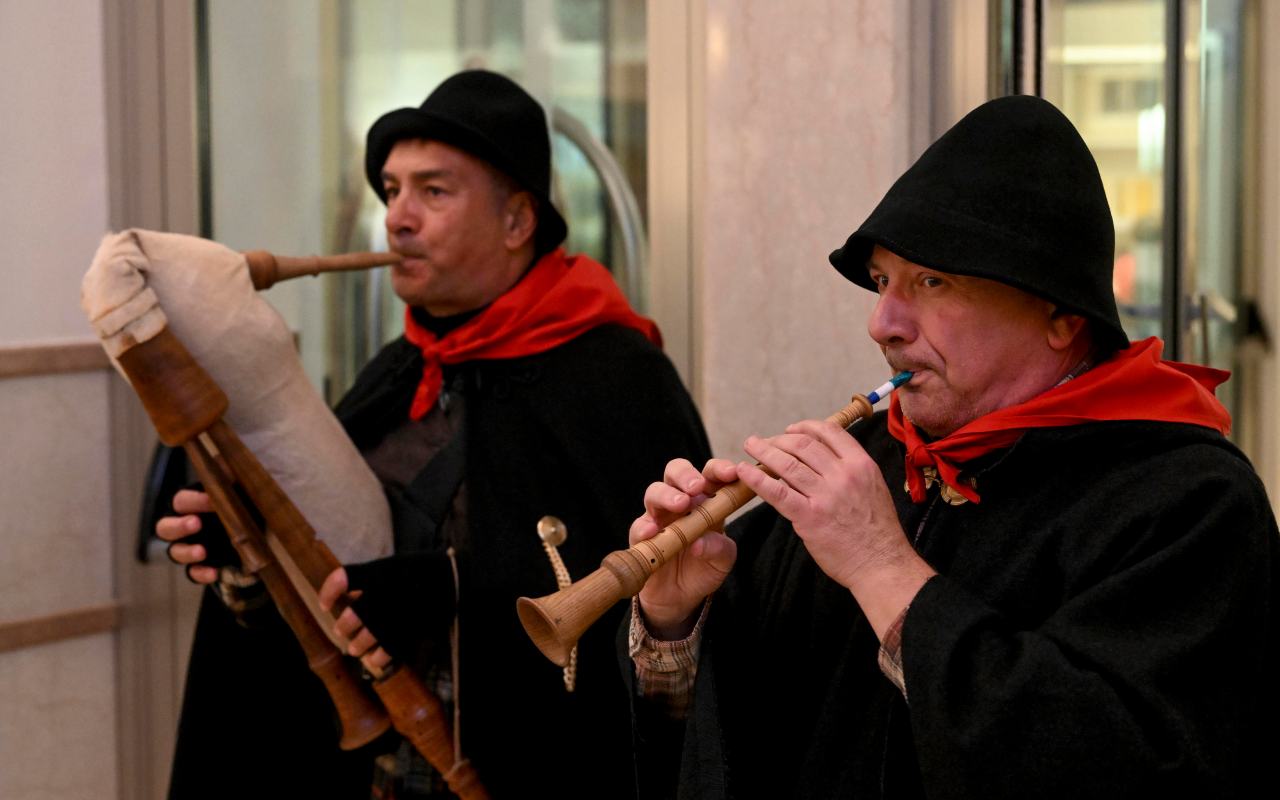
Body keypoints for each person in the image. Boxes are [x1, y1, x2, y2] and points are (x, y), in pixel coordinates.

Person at [626, 95, 1280, 799]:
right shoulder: (873, 456)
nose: (883, 323)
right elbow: (725, 735)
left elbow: (1124, 766)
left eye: (930, 281)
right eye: (882, 281)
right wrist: (674, 621)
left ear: (1060, 315)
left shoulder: (1188, 502)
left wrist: (883, 568)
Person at [157, 69, 710, 799]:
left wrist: (446, 592)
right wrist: (252, 554)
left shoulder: (618, 377)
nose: (397, 217)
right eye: (391, 190)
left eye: (434, 191)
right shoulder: (398, 369)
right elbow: (329, 575)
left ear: (518, 222)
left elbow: (662, 610)